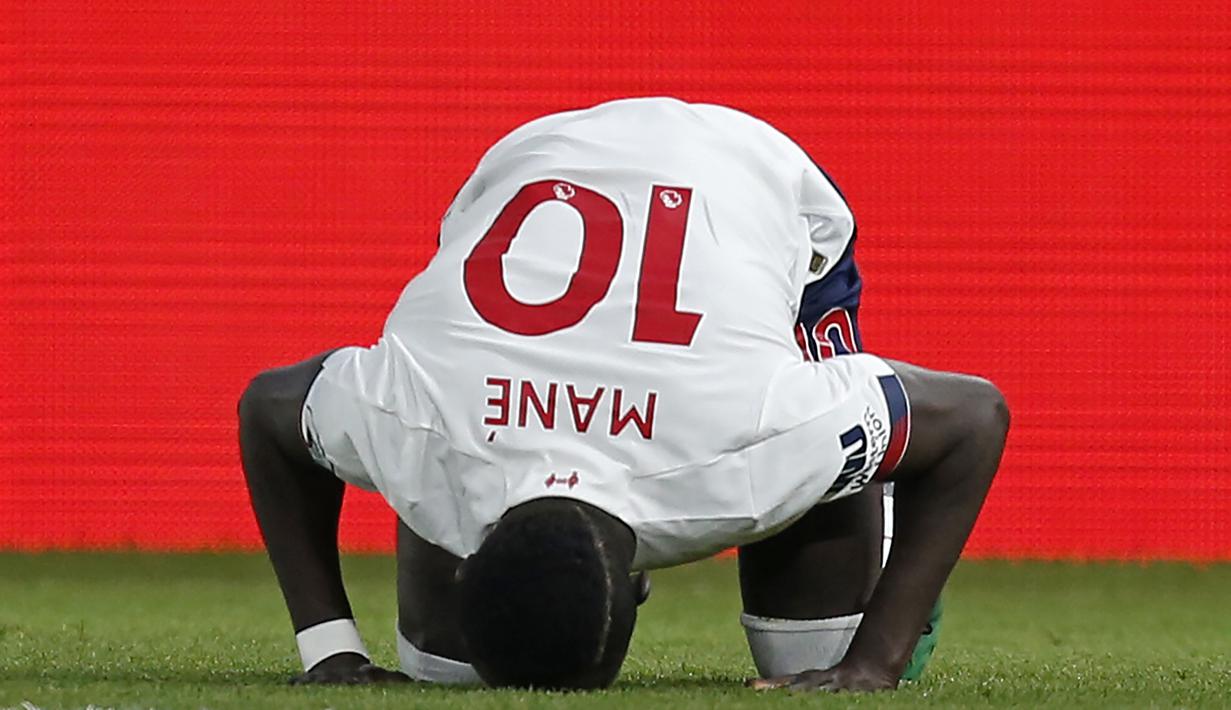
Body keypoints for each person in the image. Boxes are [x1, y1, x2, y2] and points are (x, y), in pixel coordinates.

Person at [238, 97, 1009, 691]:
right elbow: (269, 409)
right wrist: (328, 653)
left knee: (823, 650)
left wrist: (876, 658)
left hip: (751, 173)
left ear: (636, 586)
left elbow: (972, 419)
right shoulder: (414, 428)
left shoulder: (748, 447)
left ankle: (868, 534)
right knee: (449, 670)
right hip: (529, 165)